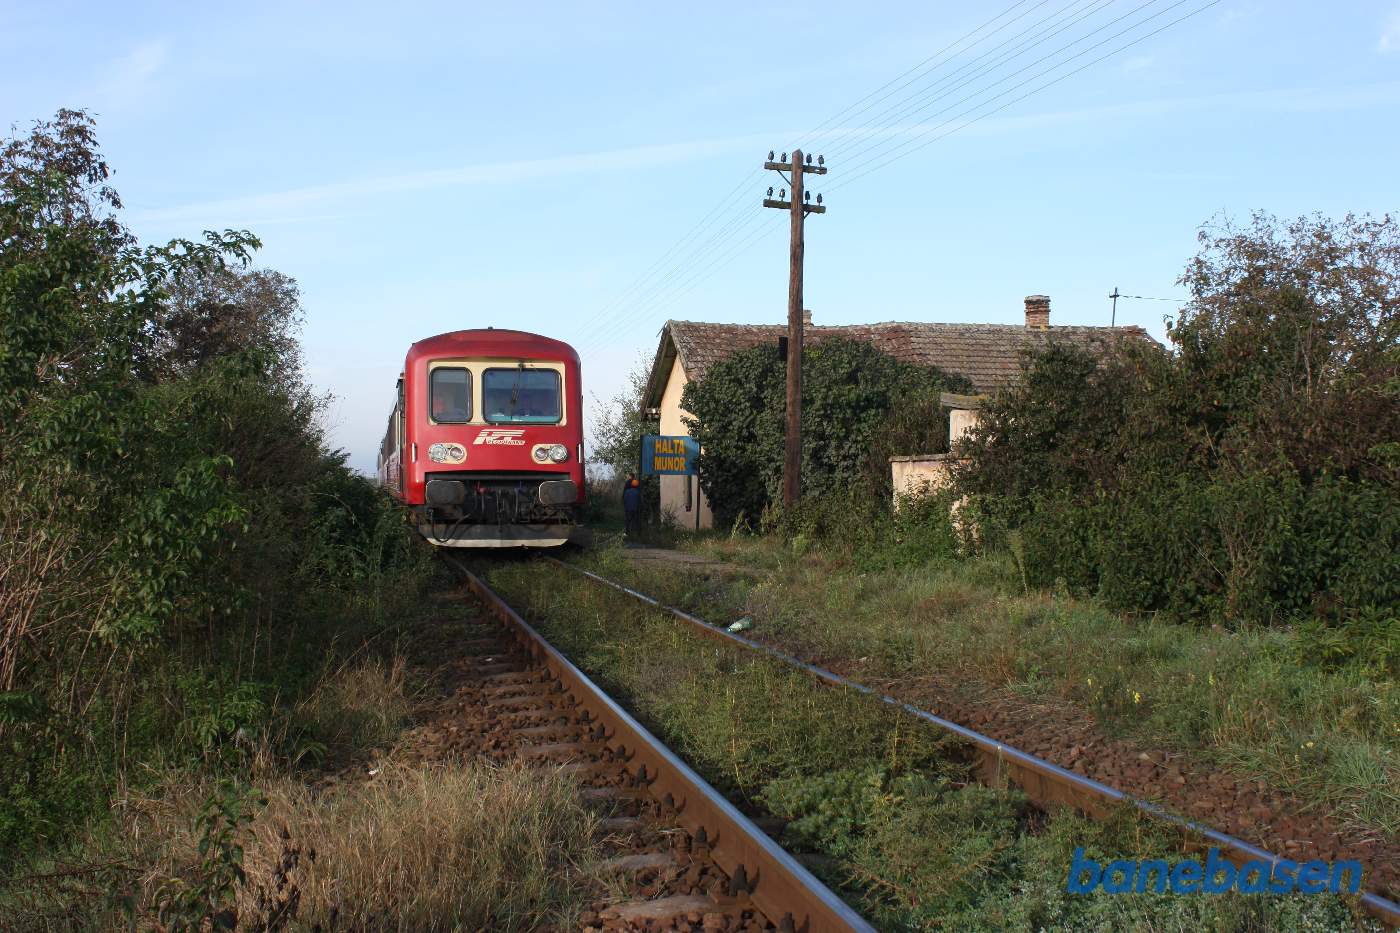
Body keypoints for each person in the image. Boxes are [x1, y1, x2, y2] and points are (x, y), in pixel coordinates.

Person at [622, 473, 641, 537]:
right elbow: (640, 501)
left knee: (627, 520)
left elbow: (625, 499)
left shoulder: (627, 491)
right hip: (635, 508)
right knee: (635, 520)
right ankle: (635, 532)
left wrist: (625, 505)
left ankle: (627, 532)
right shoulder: (638, 492)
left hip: (628, 508)